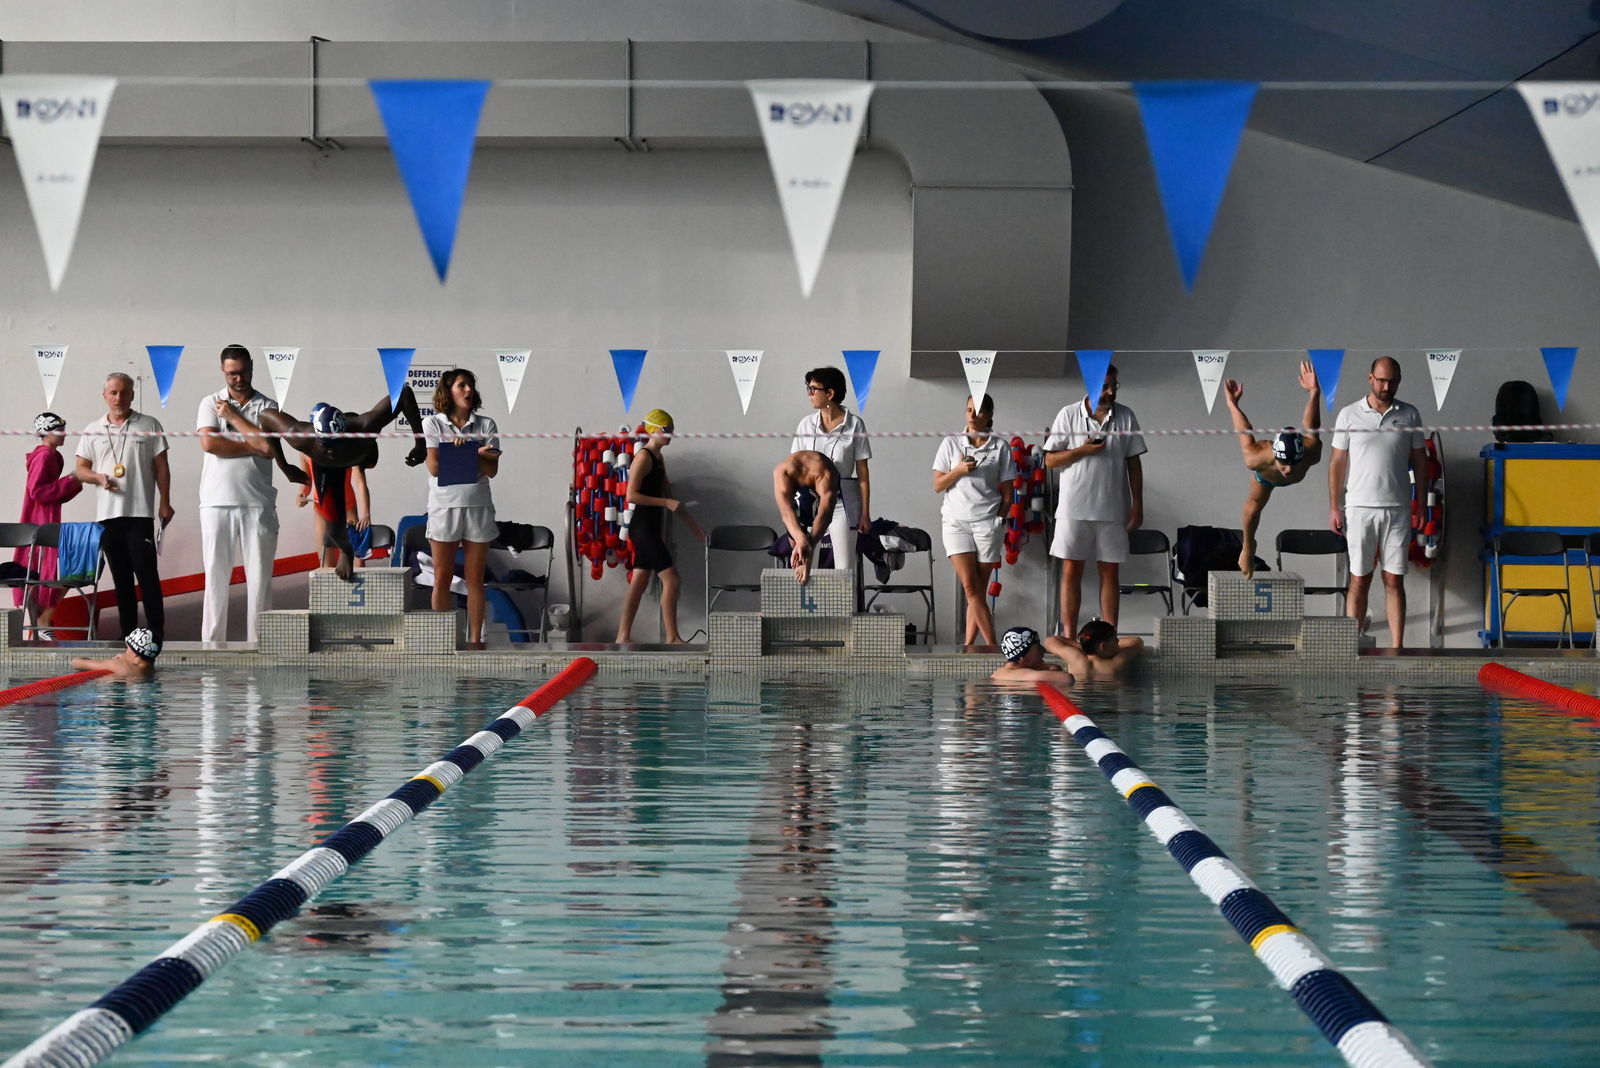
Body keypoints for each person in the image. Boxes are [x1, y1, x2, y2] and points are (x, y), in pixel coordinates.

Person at [215, 385, 424, 580]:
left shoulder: (364, 427)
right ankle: (346, 551)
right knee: (332, 526)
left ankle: (361, 457)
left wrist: (420, 443)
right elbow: (265, 417)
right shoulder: (301, 435)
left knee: (369, 461)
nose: (331, 450)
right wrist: (284, 466)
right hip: (325, 467)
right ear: (316, 437)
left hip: (356, 452)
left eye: (334, 444)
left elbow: (404, 394)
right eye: (326, 445)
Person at [1328, 357, 1426, 648]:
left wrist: (1420, 504)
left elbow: (1421, 462)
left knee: (1394, 580)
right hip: (1359, 508)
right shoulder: (1348, 414)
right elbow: (1337, 463)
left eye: (1392, 381)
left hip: (1398, 508)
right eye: (1381, 380)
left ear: (1399, 381)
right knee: (1359, 579)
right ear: (1370, 378)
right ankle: (1351, 647)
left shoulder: (1410, 414)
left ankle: (1397, 648)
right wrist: (1334, 506)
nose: (1386, 387)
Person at [1044, 366, 1146, 636]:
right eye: (1104, 387)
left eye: (1114, 386)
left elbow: (1134, 463)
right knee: (1071, 571)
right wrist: (1081, 450)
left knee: (1110, 572)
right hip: (1073, 508)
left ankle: (1110, 634)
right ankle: (1069, 636)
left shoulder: (1126, 416)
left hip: (1113, 509)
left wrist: (1137, 503)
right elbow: (1050, 460)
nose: (1111, 392)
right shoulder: (1068, 414)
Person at [197, 345, 285, 643]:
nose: (239, 378)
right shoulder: (209, 402)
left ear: (252, 368)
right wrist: (253, 445)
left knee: (260, 581)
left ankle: (259, 647)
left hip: (258, 503)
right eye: (232, 373)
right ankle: (211, 647)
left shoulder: (268, 406)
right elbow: (210, 444)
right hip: (215, 502)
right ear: (223, 371)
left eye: (244, 372)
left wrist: (234, 418)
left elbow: (270, 448)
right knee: (215, 580)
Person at [75, 373, 172, 641]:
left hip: (139, 513)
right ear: (104, 396)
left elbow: (161, 467)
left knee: (147, 574)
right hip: (108, 516)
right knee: (121, 578)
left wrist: (165, 501)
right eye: (113, 393)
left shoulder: (149, 424)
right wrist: (98, 477)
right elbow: (81, 469)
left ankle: (155, 632)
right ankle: (128, 633)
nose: (118, 398)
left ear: (132, 395)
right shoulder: (92, 429)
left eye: (124, 392)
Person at [423, 368, 502, 647]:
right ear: (448, 391)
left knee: (475, 578)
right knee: (442, 576)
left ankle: (475, 641)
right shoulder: (433, 423)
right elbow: (435, 467)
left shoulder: (486, 424)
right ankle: (442, 642)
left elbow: (492, 470)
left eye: (471, 385)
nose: (468, 390)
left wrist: (463, 452)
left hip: (477, 506)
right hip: (444, 507)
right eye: (462, 385)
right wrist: (474, 452)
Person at [1226, 359, 1324, 577]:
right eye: (1284, 463)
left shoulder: (1311, 451)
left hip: (1278, 466)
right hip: (1266, 478)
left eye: (1293, 463)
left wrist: (1314, 392)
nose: (1288, 470)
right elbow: (1244, 431)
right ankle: (1248, 545)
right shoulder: (1257, 458)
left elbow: (1312, 426)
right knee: (1254, 504)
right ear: (1275, 456)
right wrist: (1232, 404)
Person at [933, 393, 1015, 647]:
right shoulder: (951, 443)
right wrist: (958, 470)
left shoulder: (1001, 447)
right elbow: (938, 485)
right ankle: (993, 647)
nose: (972, 415)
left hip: (988, 524)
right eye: (969, 410)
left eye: (978, 411)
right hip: (956, 522)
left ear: (989, 415)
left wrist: (998, 519)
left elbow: (1008, 494)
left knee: (977, 589)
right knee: (970, 586)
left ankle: (969, 646)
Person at [616, 410, 703, 643]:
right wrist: (664, 503)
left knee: (639, 581)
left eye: (672, 429)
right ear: (653, 431)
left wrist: (693, 525)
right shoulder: (643, 457)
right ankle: (672, 637)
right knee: (672, 580)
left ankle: (622, 637)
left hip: (650, 527)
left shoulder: (658, 458)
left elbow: (671, 498)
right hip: (642, 527)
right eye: (667, 430)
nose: (671, 434)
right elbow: (631, 495)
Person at [791, 366, 870, 573]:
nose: (809, 393)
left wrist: (865, 513)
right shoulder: (805, 425)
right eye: (808, 388)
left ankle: (846, 597)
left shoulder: (855, 424)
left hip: (842, 503)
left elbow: (863, 474)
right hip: (810, 502)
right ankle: (807, 597)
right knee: (805, 564)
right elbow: (794, 469)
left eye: (813, 389)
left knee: (845, 568)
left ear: (830, 393)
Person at [14, 413, 83, 637]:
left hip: (47, 518)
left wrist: (73, 482)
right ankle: (40, 622)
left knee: (46, 571)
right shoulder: (44, 455)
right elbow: (37, 492)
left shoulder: (54, 456)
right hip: (39, 520)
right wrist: (71, 480)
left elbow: (54, 494)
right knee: (43, 570)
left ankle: (40, 623)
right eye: (59, 430)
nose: (64, 433)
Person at [773, 450, 841, 585]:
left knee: (807, 503)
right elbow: (786, 512)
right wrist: (800, 540)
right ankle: (799, 552)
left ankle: (804, 555)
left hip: (823, 475)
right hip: (797, 479)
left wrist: (809, 545)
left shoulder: (826, 473)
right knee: (801, 508)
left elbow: (826, 514)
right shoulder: (782, 473)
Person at [298, 457, 370, 568]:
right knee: (326, 564)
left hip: (347, 508)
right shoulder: (304, 451)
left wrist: (366, 514)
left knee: (356, 561)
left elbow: (360, 482)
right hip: (321, 510)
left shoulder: (347, 450)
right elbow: (306, 478)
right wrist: (302, 493)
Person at [1056, 619, 1145, 682]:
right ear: (1103, 646)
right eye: (1115, 639)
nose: (1118, 641)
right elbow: (1137, 641)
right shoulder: (1117, 662)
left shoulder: (1075, 658)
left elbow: (1052, 640)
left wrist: (1086, 645)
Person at [989, 626, 1075, 683]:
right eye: (1037, 648)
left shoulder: (999, 673)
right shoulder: (1023, 676)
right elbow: (1066, 678)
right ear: (1023, 657)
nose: (1043, 650)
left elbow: (1055, 668)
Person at [72, 626, 159, 678]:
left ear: (135, 654)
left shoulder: (119, 666)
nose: (125, 651)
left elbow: (76, 662)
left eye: (127, 648)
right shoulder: (150, 669)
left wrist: (115, 661)